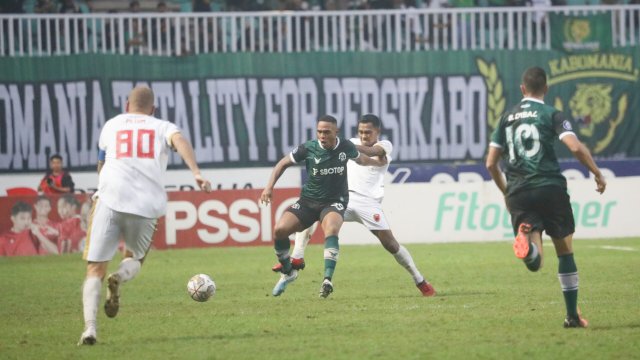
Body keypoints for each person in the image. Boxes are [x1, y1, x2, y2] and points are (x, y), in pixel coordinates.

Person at [78, 86, 212, 345]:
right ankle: (118, 277)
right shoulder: (163, 126)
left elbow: (101, 162)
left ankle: (90, 329)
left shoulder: (112, 124)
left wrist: (104, 181)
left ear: (127, 105)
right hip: (145, 204)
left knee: (94, 269)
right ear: (153, 109)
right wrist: (195, 171)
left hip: (109, 199)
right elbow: (180, 140)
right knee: (136, 258)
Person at [485, 66, 606, 329]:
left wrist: (507, 192)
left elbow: (491, 164)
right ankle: (572, 315)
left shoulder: (506, 118)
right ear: (546, 89)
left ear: (522, 89)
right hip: (549, 187)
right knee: (565, 251)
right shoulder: (552, 114)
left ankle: (529, 248)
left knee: (536, 262)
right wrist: (596, 172)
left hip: (518, 190)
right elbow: (574, 146)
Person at [272, 114, 436, 296]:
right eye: (361, 132)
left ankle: (419, 280)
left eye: (368, 132)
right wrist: (338, 143)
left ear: (377, 132)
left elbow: (374, 153)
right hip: (343, 200)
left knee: (390, 244)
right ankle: (295, 260)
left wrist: (341, 144)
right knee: (311, 212)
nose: (364, 136)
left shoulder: (385, 145)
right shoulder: (346, 142)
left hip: (368, 204)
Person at [260, 115, 385, 298]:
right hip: (308, 201)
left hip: (334, 201)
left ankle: (327, 279)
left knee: (331, 229)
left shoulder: (345, 147)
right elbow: (283, 163)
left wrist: (379, 164)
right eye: (319, 132)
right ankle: (288, 271)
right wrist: (269, 187)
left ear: (336, 132)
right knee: (280, 230)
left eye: (327, 132)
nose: (322, 135)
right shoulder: (308, 148)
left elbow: (362, 160)